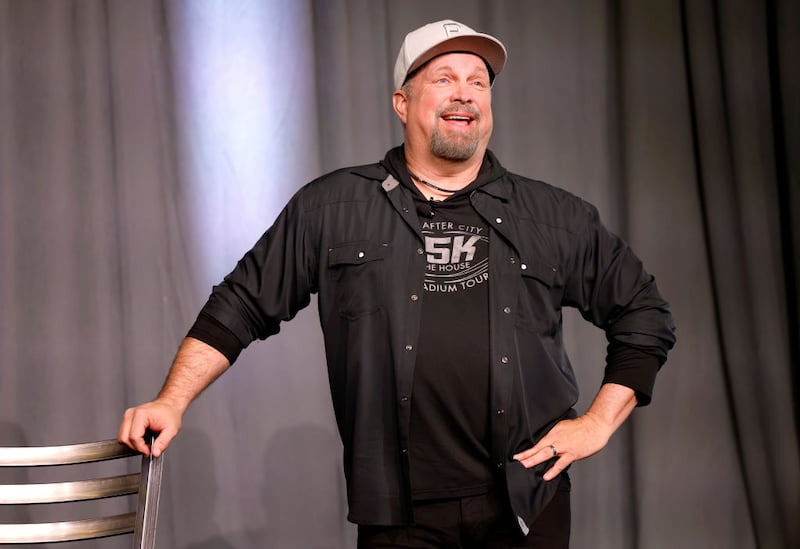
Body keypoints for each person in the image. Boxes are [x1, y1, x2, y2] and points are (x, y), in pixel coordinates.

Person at [118, 19, 676, 548]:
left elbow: (644, 314)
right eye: (444, 79)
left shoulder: (555, 216)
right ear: (402, 104)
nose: (464, 93)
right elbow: (240, 305)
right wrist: (172, 400)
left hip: (528, 501)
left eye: (478, 82)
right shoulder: (332, 208)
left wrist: (599, 423)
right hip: (400, 514)